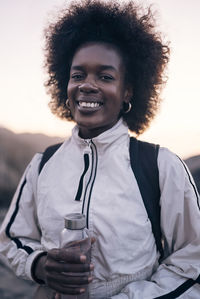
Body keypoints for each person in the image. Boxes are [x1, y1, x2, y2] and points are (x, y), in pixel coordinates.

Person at [0, 0, 200, 298]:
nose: (87, 86)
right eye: (78, 75)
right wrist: (40, 265)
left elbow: (191, 262)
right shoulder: (44, 163)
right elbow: (12, 237)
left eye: (105, 77)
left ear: (127, 90)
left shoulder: (161, 165)